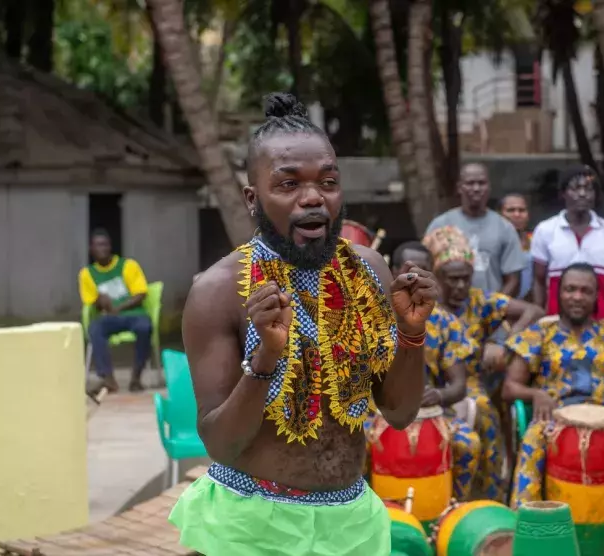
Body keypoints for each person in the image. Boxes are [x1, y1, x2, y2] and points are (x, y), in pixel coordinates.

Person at [169, 93, 436, 555]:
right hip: (252, 526)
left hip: (352, 523)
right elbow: (221, 445)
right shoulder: (218, 292)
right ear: (253, 198)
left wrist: (411, 334)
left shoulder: (371, 270)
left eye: (328, 182)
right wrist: (267, 359)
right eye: (288, 184)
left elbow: (399, 413)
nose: (313, 198)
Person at [503, 263, 604, 518]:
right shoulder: (539, 334)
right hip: (555, 421)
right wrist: (536, 395)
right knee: (533, 438)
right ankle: (526, 524)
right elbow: (509, 387)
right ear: (559, 293)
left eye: (585, 291)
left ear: (595, 296)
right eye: (570, 289)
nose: (577, 296)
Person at [423, 225, 544, 502]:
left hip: (470, 382)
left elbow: (534, 311)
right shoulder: (425, 305)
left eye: (466, 278)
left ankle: (491, 494)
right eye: (451, 279)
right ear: (436, 276)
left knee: (484, 409)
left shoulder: (479, 302)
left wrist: (505, 343)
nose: (460, 286)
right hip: (428, 383)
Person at [362, 241, 482, 501]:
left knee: (469, 444)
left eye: (424, 270)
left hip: (434, 415)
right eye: (408, 271)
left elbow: (458, 385)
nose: (415, 278)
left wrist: (438, 395)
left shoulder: (445, 321)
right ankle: (364, 510)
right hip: (373, 415)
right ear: (393, 271)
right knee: (353, 448)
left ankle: (453, 509)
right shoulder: (368, 315)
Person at [531, 165, 604, 322]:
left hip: (600, 320)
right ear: (563, 194)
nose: (582, 194)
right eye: (575, 188)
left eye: (589, 189)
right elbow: (539, 281)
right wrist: (537, 321)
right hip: (556, 319)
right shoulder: (545, 230)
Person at [426, 162, 525, 297]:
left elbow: (513, 280)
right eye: (470, 183)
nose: (476, 188)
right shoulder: (441, 225)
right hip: (448, 312)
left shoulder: (505, 228)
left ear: (489, 187)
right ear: (459, 188)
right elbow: (427, 272)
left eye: (481, 183)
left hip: (490, 312)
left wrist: (491, 308)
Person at [79, 228, 152, 393]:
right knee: (95, 329)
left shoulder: (128, 265)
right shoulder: (87, 274)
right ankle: (108, 379)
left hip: (134, 314)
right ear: (91, 250)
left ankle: (136, 378)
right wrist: (99, 300)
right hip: (109, 318)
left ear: (110, 246)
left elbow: (140, 294)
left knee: (145, 327)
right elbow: (90, 301)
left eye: (105, 244)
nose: (102, 249)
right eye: (97, 246)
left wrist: (118, 308)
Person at [499, 193, 534, 300]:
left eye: (522, 210)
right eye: (511, 210)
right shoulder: (493, 242)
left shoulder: (535, 240)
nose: (517, 214)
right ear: (499, 214)